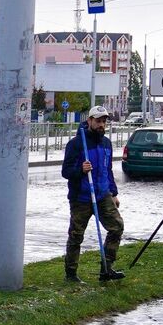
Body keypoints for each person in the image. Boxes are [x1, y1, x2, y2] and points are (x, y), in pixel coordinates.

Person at [61, 105, 125, 283]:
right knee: (76, 235)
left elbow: (108, 169)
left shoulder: (106, 143)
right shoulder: (76, 144)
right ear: (89, 121)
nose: (101, 124)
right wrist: (80, 169)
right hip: (81, 197)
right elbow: (66, 171)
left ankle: (107, 269)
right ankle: (71, 274)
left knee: (117, 227)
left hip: (102, 195)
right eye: (98, 121)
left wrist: (113, 193)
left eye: (104, 121)